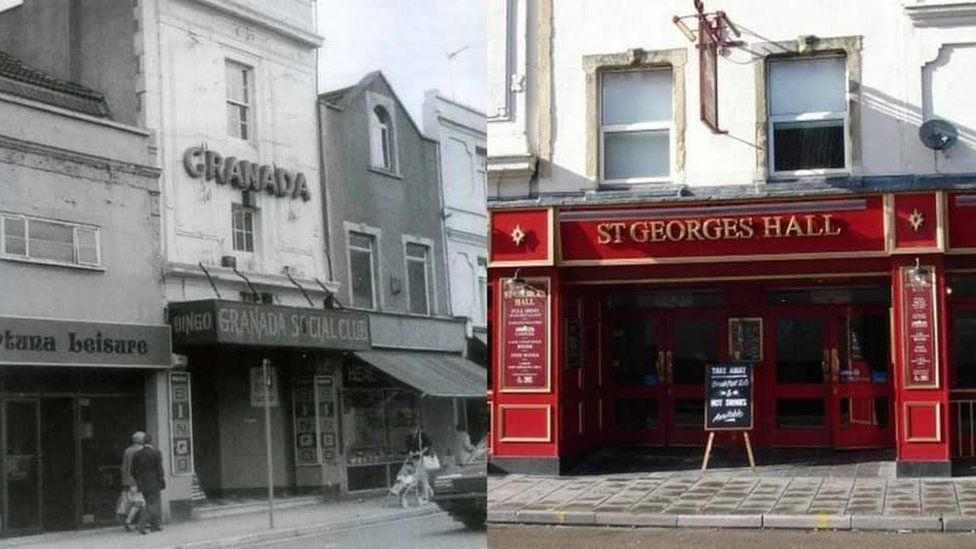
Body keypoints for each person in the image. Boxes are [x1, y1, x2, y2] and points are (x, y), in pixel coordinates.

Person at [131, 434, 166, 534]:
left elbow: (132, 470)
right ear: (152, 442)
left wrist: (138, 479)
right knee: (152, 504)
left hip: (142, 482)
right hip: (154, 481)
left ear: (143, 443)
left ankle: (155, 525)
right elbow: (159, 469)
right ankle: (141, 525)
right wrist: (161, 479)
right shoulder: (156, 453)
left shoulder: (137, 454)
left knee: (149, 503)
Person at [118, 431, 145, 531]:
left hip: (129, 480)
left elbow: (124, 467)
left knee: (139, 502)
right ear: (140, 440)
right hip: (139, 480)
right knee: (139, 502)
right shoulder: (142, 450)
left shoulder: (127, 450)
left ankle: (143, 522)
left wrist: (124, 480)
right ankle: (129, 521)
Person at [404, 421, 433, 502]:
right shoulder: (409, 437)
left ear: (417, 429)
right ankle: (427, 491)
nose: (412, 431)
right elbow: (407, 447)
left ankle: (425, 496)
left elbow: (428, 444)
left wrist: (421, 452)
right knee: (416, 476)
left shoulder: (422, 435)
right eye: (411, 430)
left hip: (422, 458)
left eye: (414, 430)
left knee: (423, 476)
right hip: (414, 458)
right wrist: (410, 452)